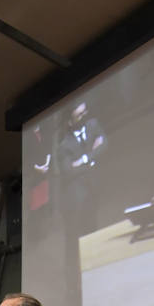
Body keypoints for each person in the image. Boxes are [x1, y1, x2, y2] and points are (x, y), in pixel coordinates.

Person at [56, 101, 107, 237]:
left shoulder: (93, 124)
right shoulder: (64, 146)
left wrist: (84, 160)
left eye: (85, 112)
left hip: (95, 186)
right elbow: (69, 172)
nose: (84, 116)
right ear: (70, 122)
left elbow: (104, 146)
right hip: (78, 197)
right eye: (79, 115)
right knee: (84, 231)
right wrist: (93, 156)